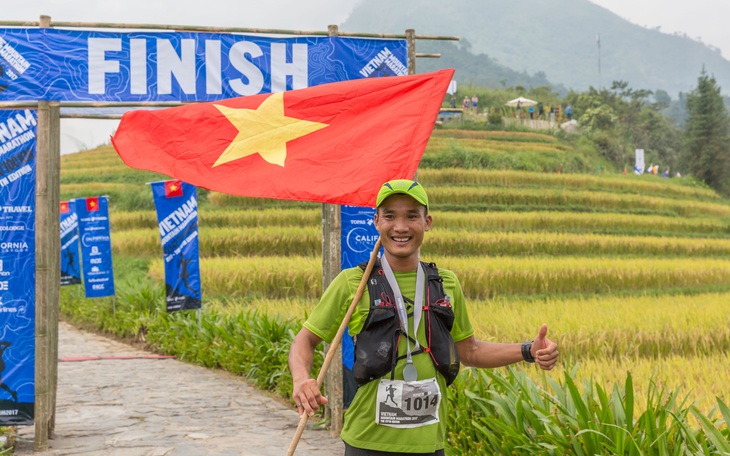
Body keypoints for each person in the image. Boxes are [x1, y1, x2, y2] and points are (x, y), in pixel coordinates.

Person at [288, 179, 560, 455]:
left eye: (411, 216)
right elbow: (305, 340)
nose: (401, 226)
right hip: (366, 443)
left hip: (429, 446)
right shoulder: (354, 283)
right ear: (376, 222)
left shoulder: (446, 283)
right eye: (390, 216)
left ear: (427, 222)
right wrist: (301, 379)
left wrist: (528, 350)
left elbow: (471, 351)